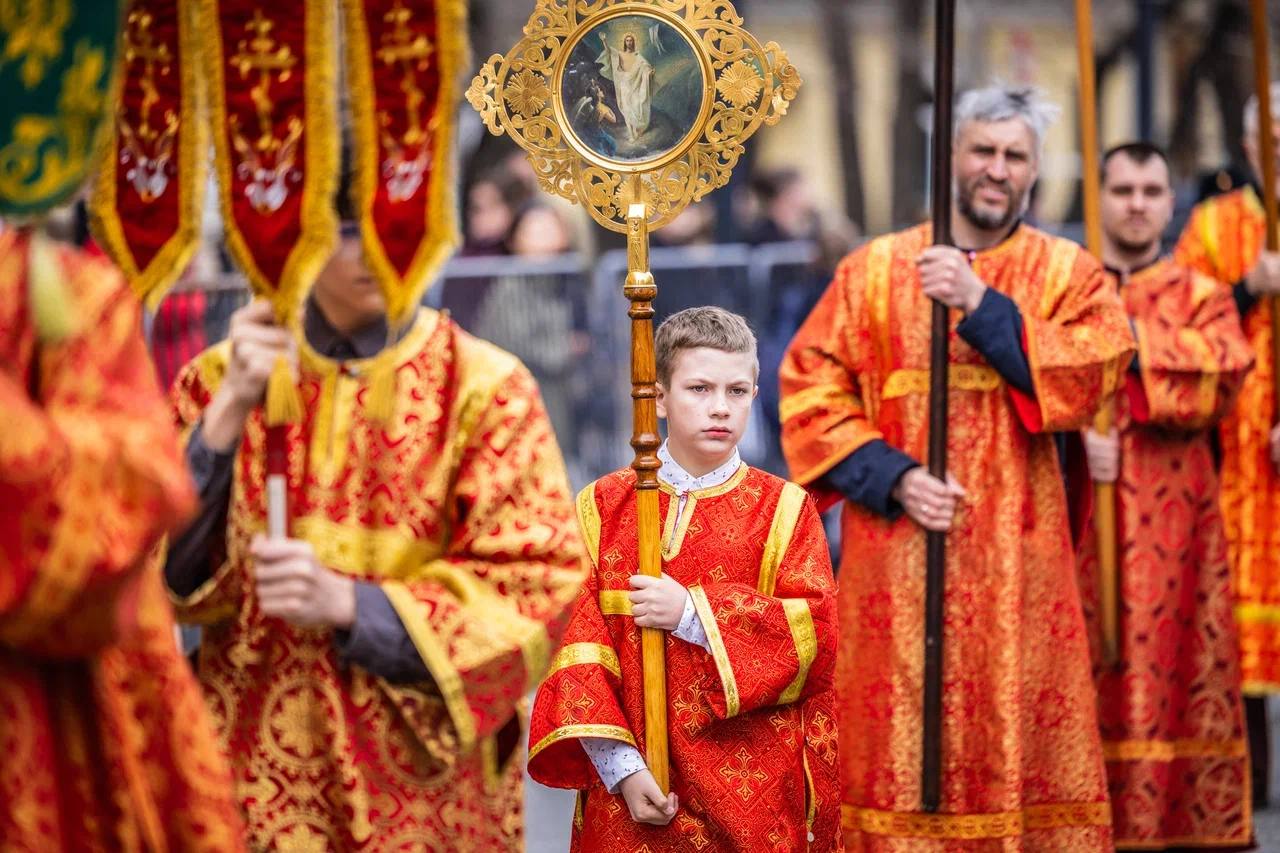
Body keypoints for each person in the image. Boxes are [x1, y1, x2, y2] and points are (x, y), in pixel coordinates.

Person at [163, 159, 588, 850]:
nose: (382, 247)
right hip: (249, 784)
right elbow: (149, 571)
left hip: (424, 796)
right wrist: (228, 413)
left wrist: (354, 606)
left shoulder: (484, 387)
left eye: (401, 221)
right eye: (354, 228)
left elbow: (538, 589)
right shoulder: (217, 379)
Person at [780, 85, 1136, 850]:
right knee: (896, 756)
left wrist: (981, 304)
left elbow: (1098, 363)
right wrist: (893, 475)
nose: (996, 169)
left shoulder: (1067, 272)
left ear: (1035, 172)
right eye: (983, 150)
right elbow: (809, 387)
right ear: (952, 159)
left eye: (1014, 156)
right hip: (899, 564)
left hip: (1023, 570)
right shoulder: (874, 269)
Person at [528, 307, 841, 850]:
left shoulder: (785, 509)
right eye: (699, 388)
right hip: (634, 787)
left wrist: (695, 614)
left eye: (737, 391)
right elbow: (573, 644)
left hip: (751, 795)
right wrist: (622, 768)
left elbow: (816, 638)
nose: (721, 408)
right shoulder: (603, 507)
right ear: (659, 398)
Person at [1077, 142, 1254, 849]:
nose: (1138, 204)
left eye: (1152, 190)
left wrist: (1123, 341)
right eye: (1123, 189)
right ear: (1101, 198)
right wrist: (1070, 438)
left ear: (1167, 201)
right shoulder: (1070, 288)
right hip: (1082, 523)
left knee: (1176, 672)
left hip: (1177, 530)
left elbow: (1224, 371)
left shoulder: (1201, 295)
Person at [1173, 82, 1280, 804]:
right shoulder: (1212, 225)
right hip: (1234, 454)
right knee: (1238, 627)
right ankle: (1250, 782)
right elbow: (1182, 322)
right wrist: (1247, 287)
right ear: (1251, 145)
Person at [597, 31, 654, 141]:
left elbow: (646, 67)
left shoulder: (637, 56)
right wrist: (604, 41)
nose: (629, 42)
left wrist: (649, 73)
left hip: (635, 84)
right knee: (627, 109)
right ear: (624, 42)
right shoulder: (620, 54)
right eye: (627, 40)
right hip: (624, 84)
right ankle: (632, 134)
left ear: (633, 42)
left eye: (631, 40)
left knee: (637, 107)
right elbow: (609, 52)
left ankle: (637, 130)